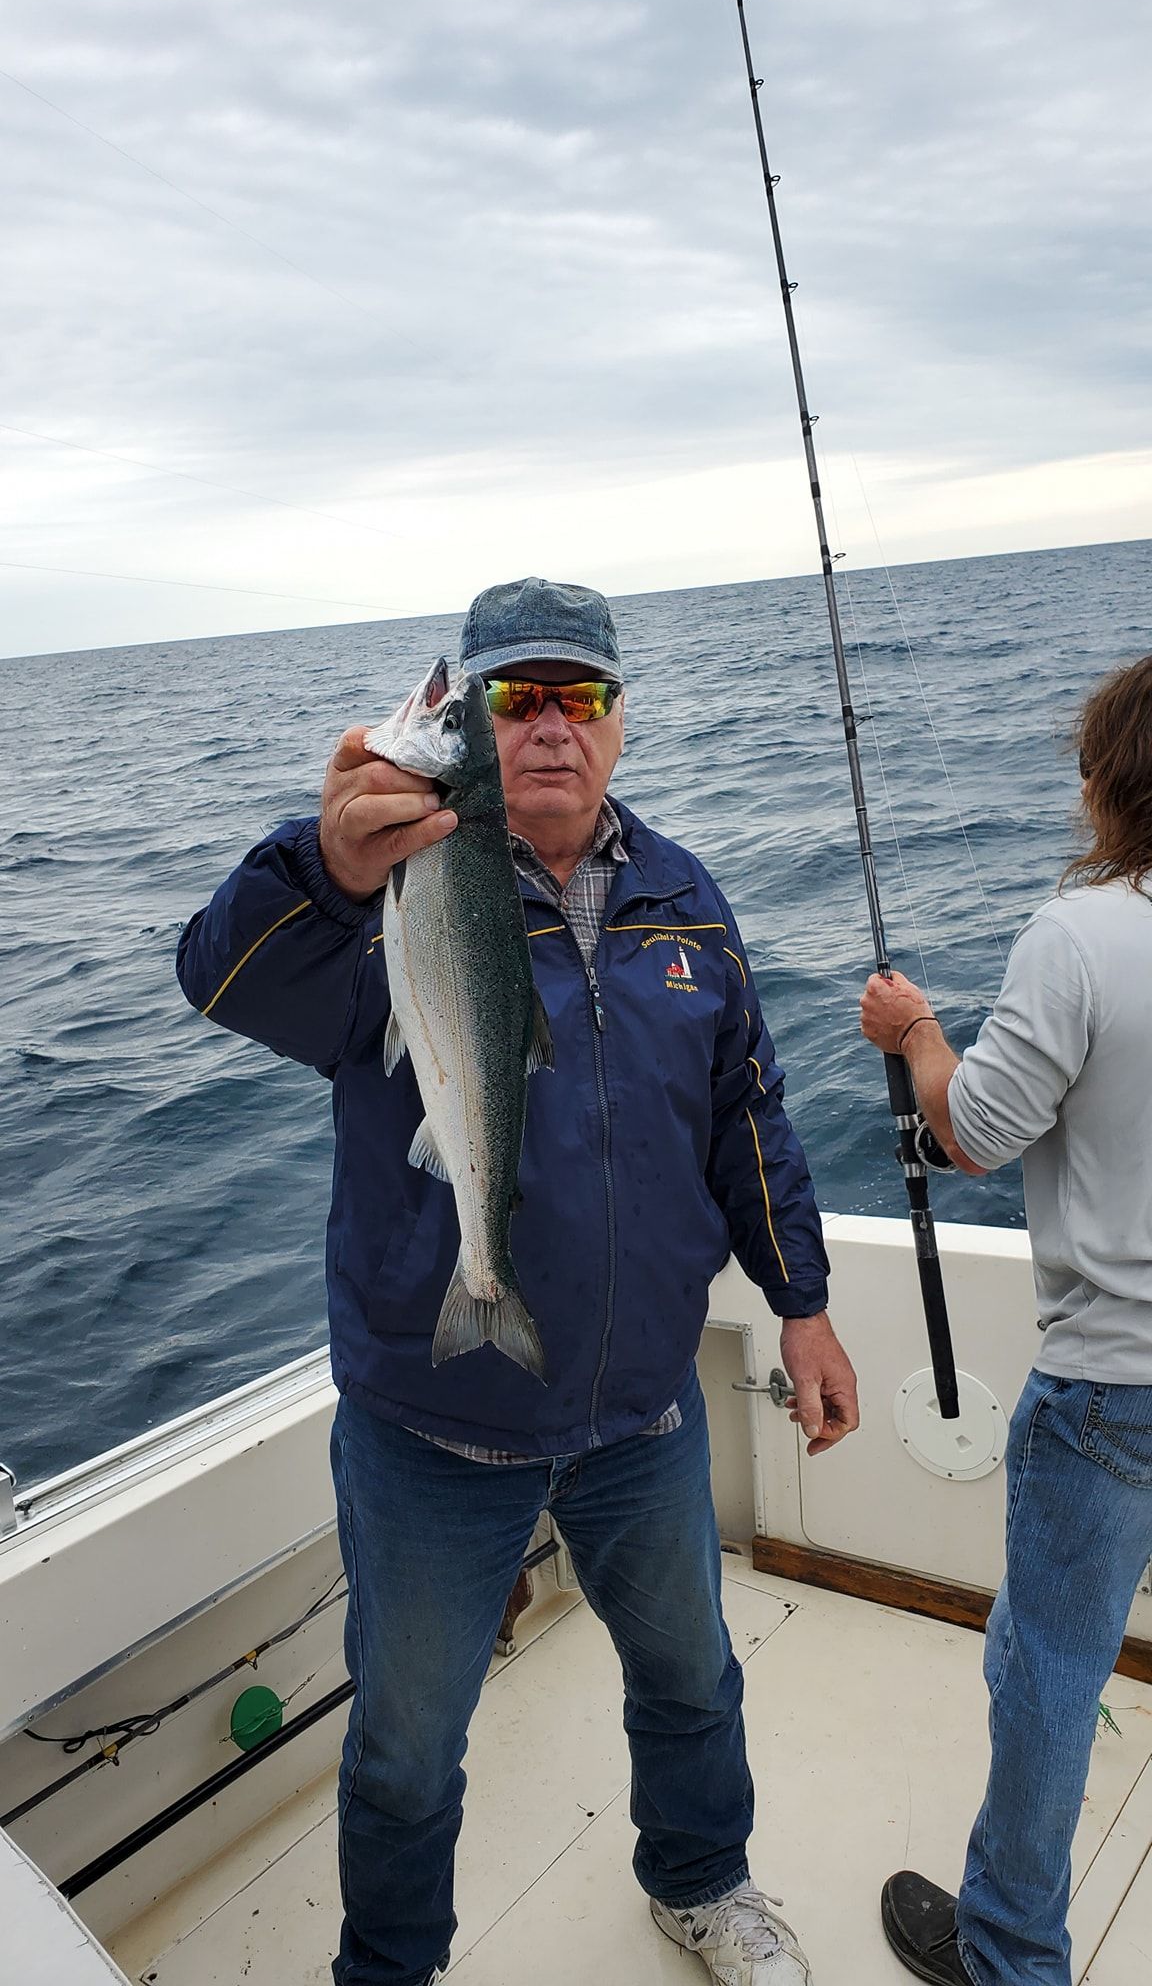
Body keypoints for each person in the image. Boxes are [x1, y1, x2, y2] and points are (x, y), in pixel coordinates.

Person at [176, 576, 859, 1986]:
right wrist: (324, 864)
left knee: (689, 1681)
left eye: (580, 696)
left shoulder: (687, 898)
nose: (549, 726)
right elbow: (220, 978)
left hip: (642, 1409)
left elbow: (751, 1119)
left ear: (619, 722)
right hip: (430, 1425)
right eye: (512, 699)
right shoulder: (390, 893)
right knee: (409, 1746)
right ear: (474, 731)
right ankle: (392, 1968)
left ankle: (700, 1881)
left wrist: (803, 1304)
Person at [859, 652, 1152, 1986]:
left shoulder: (1078, 936)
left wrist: (918, 1032)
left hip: (1110, 1393)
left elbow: (972, 1131)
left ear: (1105, 784)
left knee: (1049, 1679)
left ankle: (1012, 1954)